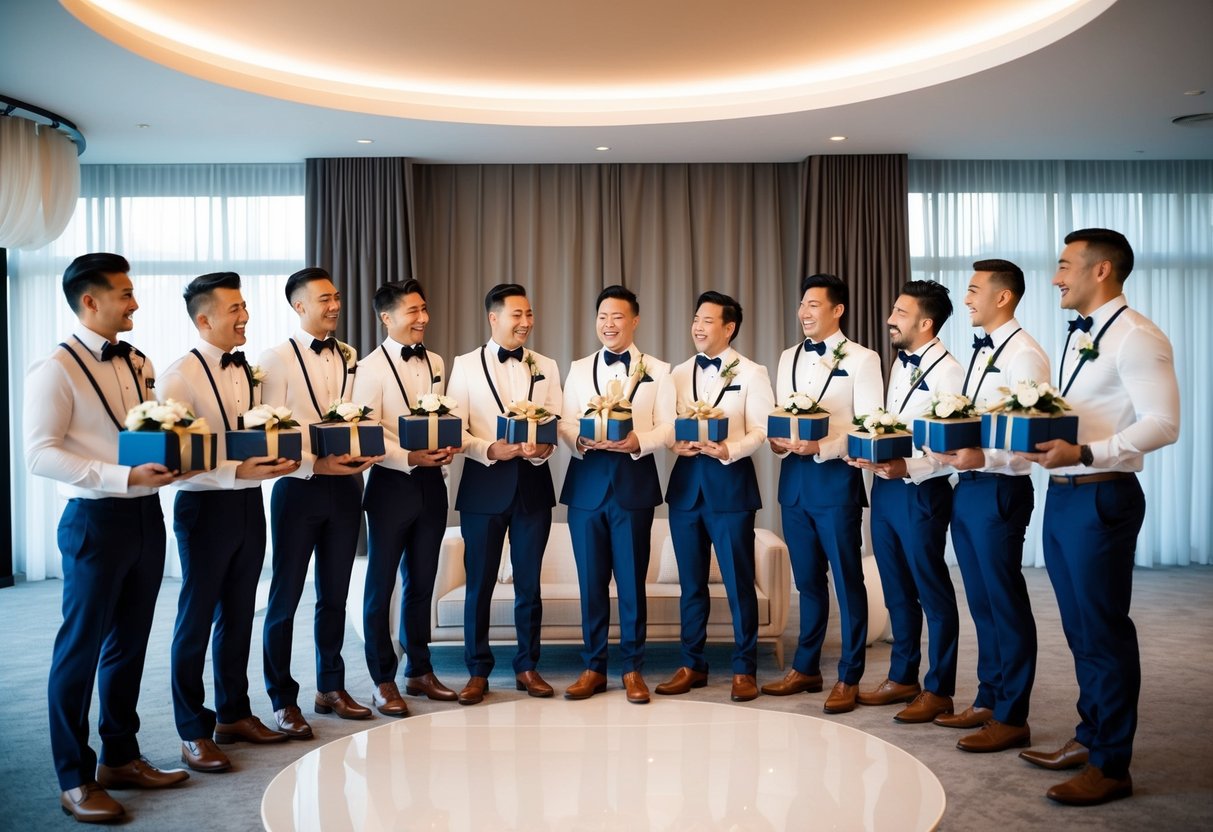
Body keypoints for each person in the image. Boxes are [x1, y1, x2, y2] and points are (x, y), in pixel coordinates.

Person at [26, 253, 189, 823]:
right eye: (124, 294)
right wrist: (120, 478)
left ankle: (120, 754)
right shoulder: (55, 368)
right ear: (90, 301)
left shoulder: (139, 361)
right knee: (80, 649)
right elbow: (39, 454)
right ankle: (74, 776)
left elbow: (135, 433)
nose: (136, 303)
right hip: (94, 520)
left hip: (147, 517)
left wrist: (172, 462)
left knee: (129, 644)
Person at [1019, 229, 1179, 806]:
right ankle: (1091, 737)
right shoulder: (1084, 334)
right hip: (1064, 495)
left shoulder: (1138, 337)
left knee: (1104, 631)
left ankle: (1112, 766)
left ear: (1102, 270)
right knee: (1080, 629)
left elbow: (1163, 423)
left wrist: (1085, 453)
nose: (1056, 276)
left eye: (1064, 265)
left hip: (1102, 494)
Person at [160, 272, 299, 773]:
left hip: (248, 504)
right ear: (204, 319)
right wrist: (234, 470)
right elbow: (175, 460)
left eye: (245, 307)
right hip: (203, 507)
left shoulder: (246, 370)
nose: (245, 316)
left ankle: (234, 713)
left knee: (240, 614)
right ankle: (191, 729)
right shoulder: (177, 376)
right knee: (195, 620)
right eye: (235, 309)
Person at [927, 260, 1048, 753]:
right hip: (969, 486)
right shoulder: (980, 352)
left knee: (1005, 602)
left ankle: (1013, 715)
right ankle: (988, 698)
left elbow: (1032, 436)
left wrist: (985, 455)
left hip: (1001, 487)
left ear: (1003, 297)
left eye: (974, 290)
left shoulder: (1025, 356)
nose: (968, 298)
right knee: (980, 601)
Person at [258, 267, 384, 738]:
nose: (335, 305)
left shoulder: (350, 355)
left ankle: (330, 687)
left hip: (347, 486)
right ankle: (281, 698)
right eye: (324, 299)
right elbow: (272, 431)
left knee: (334, 593)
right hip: (299, 487)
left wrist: (362, 453)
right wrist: (317, 464)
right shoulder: (273, 360)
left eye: (336, 297)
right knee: (285, 598)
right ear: (298, 306)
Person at [765, 273, 883, 714]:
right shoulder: (786, 356)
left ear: (838, 310)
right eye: (802, 304)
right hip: (793, 484)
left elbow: (870, 425)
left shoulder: (863, 359)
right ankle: (806, 667)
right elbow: (781, 416)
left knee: (847, 581)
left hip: (836, 484)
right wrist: (778, 442)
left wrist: (823, 446)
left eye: (814, 305)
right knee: (808, 582)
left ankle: (849, 675)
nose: (804, 312)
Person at [848, 279, 964, 724]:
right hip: (886, 488)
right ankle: (903, 676)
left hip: (922, 491)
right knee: (896, 588)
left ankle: (940, 688)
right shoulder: (899, 365)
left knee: (931, 591)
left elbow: (950, 444)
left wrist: (909, 468)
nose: (890, 319)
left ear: (926, 322)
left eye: (899, 312)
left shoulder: (950, 371)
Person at [655, 291, 775, 703]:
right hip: (686, 490)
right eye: (695, 319)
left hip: (730, 489)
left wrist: (730, 450)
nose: (698, 327)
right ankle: (693, 664)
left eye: (708, 320)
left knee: (740, 583)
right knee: (691, 585)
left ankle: (745, 668)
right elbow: (665, 425)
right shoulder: (676, 373)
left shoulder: (753, 372)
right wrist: (673, 446)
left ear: (729, 327)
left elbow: (761, 429)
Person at [445, 284, 563, 705]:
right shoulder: (463, 366)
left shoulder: (546, 364)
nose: (526, 322)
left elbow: (555, 423)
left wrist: (543, 449)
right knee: (478, 585)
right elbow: (454, 426)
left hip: (533, 487)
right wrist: (488, 449)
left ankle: (528, 666)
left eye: (529, 314)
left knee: (529, 585)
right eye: (517, 315)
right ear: (493, 318)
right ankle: (477, 671)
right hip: (482, 487)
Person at [557, 285, 673, 704]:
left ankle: (632, 670)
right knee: (591, 584)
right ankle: (592, 668)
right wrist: (580, 441)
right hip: (586, 487)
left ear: (635, 320)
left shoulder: (658, 369)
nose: (609, 324)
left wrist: (638, 441)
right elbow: (565, 422)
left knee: (630, 584)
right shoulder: (577, 367)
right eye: (602, 316)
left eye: (618, 316)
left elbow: (669, 425)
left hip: (633, 486)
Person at [351, 279, 460, 716]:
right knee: (380, 586)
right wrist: (409, 456)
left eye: (424, 309)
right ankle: (382, 679)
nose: (423, 319)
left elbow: (439, 415)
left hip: (432, 484)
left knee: (422, 582)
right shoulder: (367, 368)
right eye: (413, 311)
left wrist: (446, 445)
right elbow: (366, 434)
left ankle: (419, 669)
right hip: (391, 486)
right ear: (387, 317)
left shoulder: (435, 360)